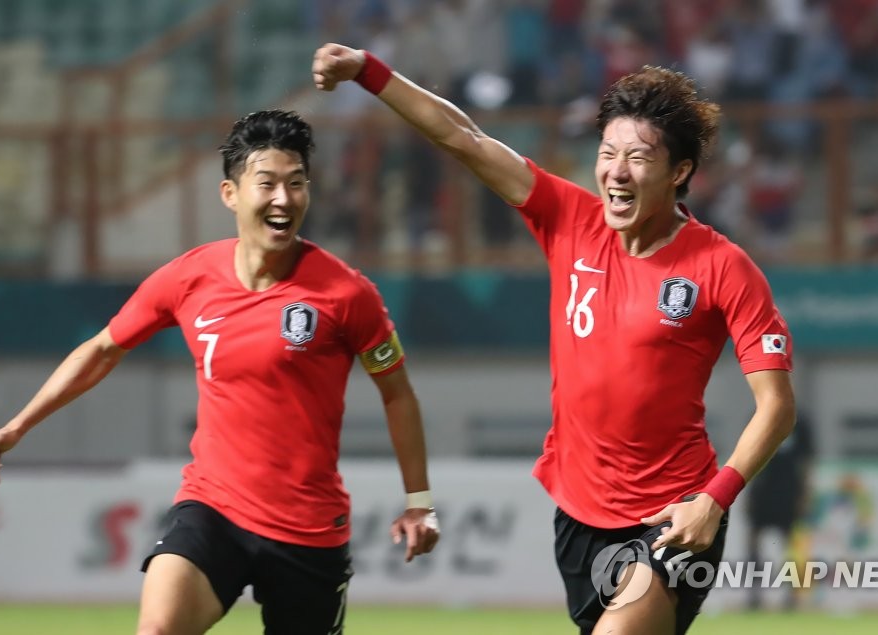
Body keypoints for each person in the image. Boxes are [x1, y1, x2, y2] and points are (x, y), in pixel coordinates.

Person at [312, 45, 796, 635]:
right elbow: (464, 138)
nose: (617, 171)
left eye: (638, 157)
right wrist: (369, 71)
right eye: (608, 153)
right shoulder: (570, 221)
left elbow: (777, 406)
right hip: (578, 515)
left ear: (679, 172)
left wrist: (714, 499)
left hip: (674, 514)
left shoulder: (723, 267)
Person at [0, 109, 440, 635]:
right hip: (213, 509)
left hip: (308, 528)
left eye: (297, 183)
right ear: (230, 194)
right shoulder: (190, 277)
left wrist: (418, 503)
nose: (284, 199)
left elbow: (397, 394)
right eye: (267, 183)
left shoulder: (348, 294)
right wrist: (17, 426)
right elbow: (102, 350)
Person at [746, 409, 815, 611]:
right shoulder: (758, 416)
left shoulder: (801, 422)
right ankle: (755, 594)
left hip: (789, 491)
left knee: (790, 545)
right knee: (754, 542)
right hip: (762, 490)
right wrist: (747, 491)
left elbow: (806, 462)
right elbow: (747, 456)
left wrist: (804, 494)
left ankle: (791, 595)